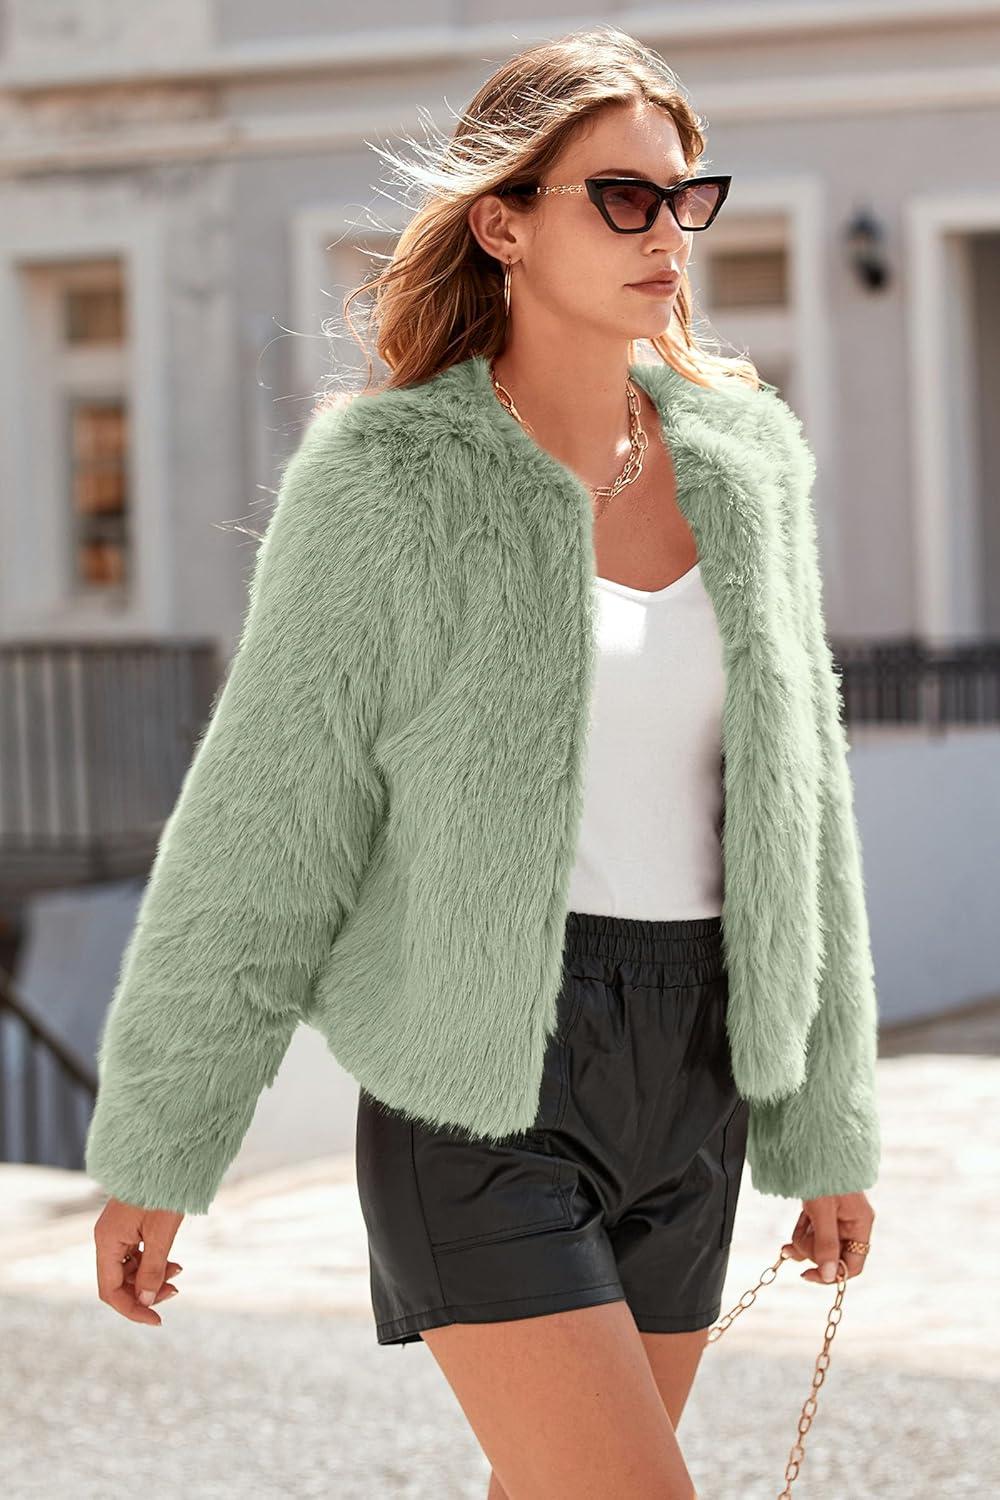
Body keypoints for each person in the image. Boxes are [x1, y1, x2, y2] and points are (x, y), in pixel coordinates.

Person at [88, 26, 878, 1500]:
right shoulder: (384, 480)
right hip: (481, 1079)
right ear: (504, 223)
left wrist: (824, 1123)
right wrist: (163, 1142)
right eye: (621, 199)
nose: (668, 233)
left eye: (686, 196)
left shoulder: (748, 463)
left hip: (701, 1066)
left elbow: (803, 815)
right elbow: (268, 824)